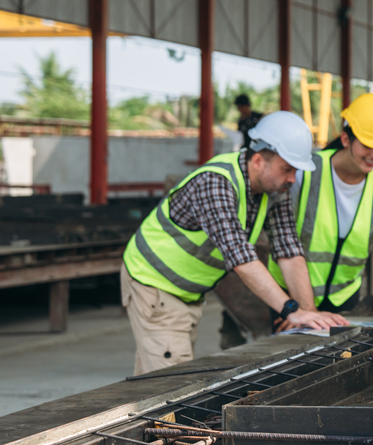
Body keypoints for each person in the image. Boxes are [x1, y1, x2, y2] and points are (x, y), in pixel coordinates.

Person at [121, 111, 349, 374]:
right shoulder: (216, 183)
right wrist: (290, 310)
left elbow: (289, 250)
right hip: (154, 283)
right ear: (258, 160)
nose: (292, 179)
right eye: (287, 169)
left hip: (187, 291)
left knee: (153, 379)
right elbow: (240, 258)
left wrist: (310, 316)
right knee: (172, 383)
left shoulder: (273, 190)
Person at [270, 94, 373, 323]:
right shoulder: (304, 173)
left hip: (345, 300)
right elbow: (282, 240)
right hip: (291, 297)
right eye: (368, 145)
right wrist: (296, 307)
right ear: (346, 139)